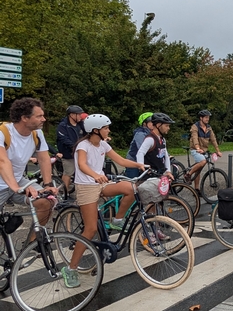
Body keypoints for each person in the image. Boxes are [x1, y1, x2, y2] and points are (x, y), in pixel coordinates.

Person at [64, 114, 145, 288]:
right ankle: (71, 269)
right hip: (86, 186)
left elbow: (120, 160)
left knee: (131, 189)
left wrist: (139, 165)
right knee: (90, 229)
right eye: (106, 128)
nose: (108, 131)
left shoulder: (103, 144)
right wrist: (95, 175)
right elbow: (82, 165)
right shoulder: (83, 146)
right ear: (95, 130)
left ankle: (117, 220)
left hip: (101, 184)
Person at [0, 98, 58, 235]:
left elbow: (44, 158)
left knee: (47, 202)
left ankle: (33, 243)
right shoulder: (3, 132)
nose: (44, 119)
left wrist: (48, 184)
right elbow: (3, 161)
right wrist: (16, 188)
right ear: (24, 118)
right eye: (39, 116)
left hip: (17, 181)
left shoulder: (37, 133)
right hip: (6, 184)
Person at [184, 110, 222, 192]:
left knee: (198, 170)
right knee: (203, 161)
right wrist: (198, 148)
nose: (207, 119)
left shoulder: (209, 128)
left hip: (204, 150)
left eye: (208, 117)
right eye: (206, 117)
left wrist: (218, 150)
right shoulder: (195, 127)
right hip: (195, 149)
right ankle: (188, 174)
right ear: (201, 118)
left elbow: (213, 139)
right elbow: (194, 138)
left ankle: (196, 189)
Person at [136, 113, 175, 180]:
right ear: (158, 125)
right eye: (166, 126)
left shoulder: (162, 139)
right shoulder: (150, 139)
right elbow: (140, 153)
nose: (168, 128)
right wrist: (141, 166)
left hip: (159, 174)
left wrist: (168, 171)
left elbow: (166, 156)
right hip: (150, 176)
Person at [56, 105, 86, 192]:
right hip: (68, 154)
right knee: (68, 172)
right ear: (72, 115)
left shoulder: (81, 125)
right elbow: (64, 139)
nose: (81, 116)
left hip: (80, 153)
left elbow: (87, 135)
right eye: (79, 114)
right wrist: (75, 147)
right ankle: (65, 193)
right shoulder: (63, 126)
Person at [124, 112, 154, 178]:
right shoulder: (140, 134)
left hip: (145, 161)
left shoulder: (153, 133)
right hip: (133, 161)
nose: (153, 124)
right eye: (151, 122)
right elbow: (143, 148)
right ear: (144, 123)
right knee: (133, 181)